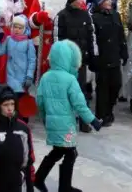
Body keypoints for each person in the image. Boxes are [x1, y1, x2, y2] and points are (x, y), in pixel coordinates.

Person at [34, 40, 103, 192]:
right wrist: (93, 121)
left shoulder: (45, 77)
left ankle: (39, 179)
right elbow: (80, 105)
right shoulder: (70, 79)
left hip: (51, 122)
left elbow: (39, 101)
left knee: (58, 151)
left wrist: (45, 118)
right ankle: (63, 187)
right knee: (70, 153)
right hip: (65, 125)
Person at [55, 0, 96, 129]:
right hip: (66, 62)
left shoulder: (85, 15)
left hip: (81, 60)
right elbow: (57, 39)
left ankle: (84, 122)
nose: (81, 1)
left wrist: (92, 55)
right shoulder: (61, 16)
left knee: (81, 91)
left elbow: (91, 37)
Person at [0, 85, 35, 192]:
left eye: (12, 104)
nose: (10, 108)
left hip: (17, 180)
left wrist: (30, 184)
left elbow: (29, 158)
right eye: (5, 105)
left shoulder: (23, 129)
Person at [90, 0, 127, 126]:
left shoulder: (115, 15)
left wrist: (124, 52)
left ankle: (109, 109)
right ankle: (102, 114)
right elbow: (93, 40)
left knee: (116, 85)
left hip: (114, 56)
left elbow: (121, 35)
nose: (109, 2)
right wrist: (94, 58)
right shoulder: (94, 18)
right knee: (103, 88)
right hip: (102, 58)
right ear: (100, 2)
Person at [0, 15, 36, 99]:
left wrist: (29, 76)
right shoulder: (8, 39)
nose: (17, 30)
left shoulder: (28, 42)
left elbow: (32, 61)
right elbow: (0, 52)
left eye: (20, 28)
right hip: (10, 75)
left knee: (21, 98)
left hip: (23, 76)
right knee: (12, 97)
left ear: (24, 29)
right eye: (15, 27)